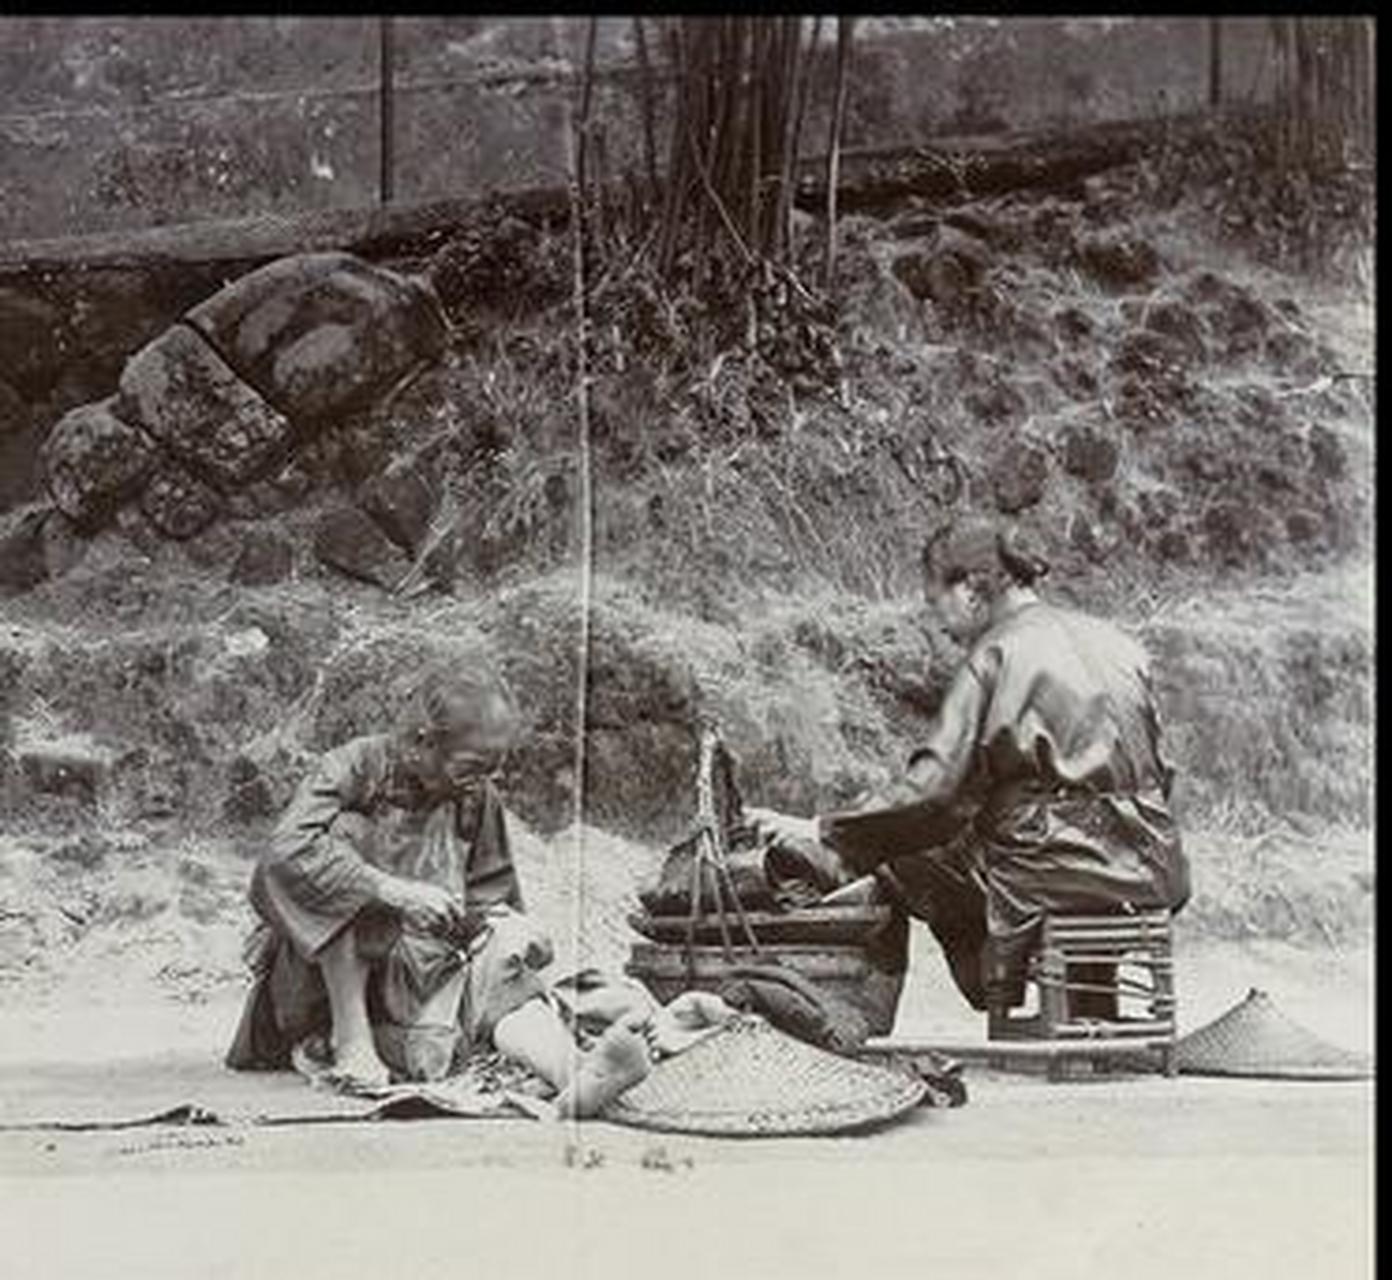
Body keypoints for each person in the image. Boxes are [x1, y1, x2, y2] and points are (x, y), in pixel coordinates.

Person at [747, 517, 1190, 1016]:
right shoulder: (1119, 645)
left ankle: (845, 1014)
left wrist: (826, 831)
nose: (937, 620)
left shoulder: (996, 653)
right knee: (1030, 839)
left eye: (937, 601)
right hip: (1154, 866)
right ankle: (1089, 997)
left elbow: (934, 793)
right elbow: (1163, 773)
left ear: (973, 588)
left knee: (901, 857)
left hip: (1052, 872)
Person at [225, 666, 657, 1116]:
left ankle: (578, 1075)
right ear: (421, 743)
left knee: (502, 985)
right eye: (471, 766)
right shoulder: (352, 767)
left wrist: (506, 931)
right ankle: (351, 1042)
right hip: (323, 985)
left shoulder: (475, 796)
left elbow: (488, 899)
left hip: (418, 975)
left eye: (492, 769)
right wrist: (391, 890)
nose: (481, 780)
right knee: (346, 838)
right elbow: (283, 855)